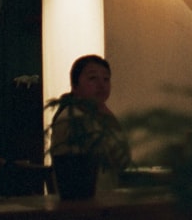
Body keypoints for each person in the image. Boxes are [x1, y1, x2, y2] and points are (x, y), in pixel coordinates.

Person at [48, 54, 131, 196]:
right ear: (75, 86)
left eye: (106, 79)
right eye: (93, 78)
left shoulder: (98, 114)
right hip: (84, 203)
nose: (101, 85)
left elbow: (123, 160)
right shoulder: (72, 118)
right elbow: (117, 156)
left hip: (104, 199)